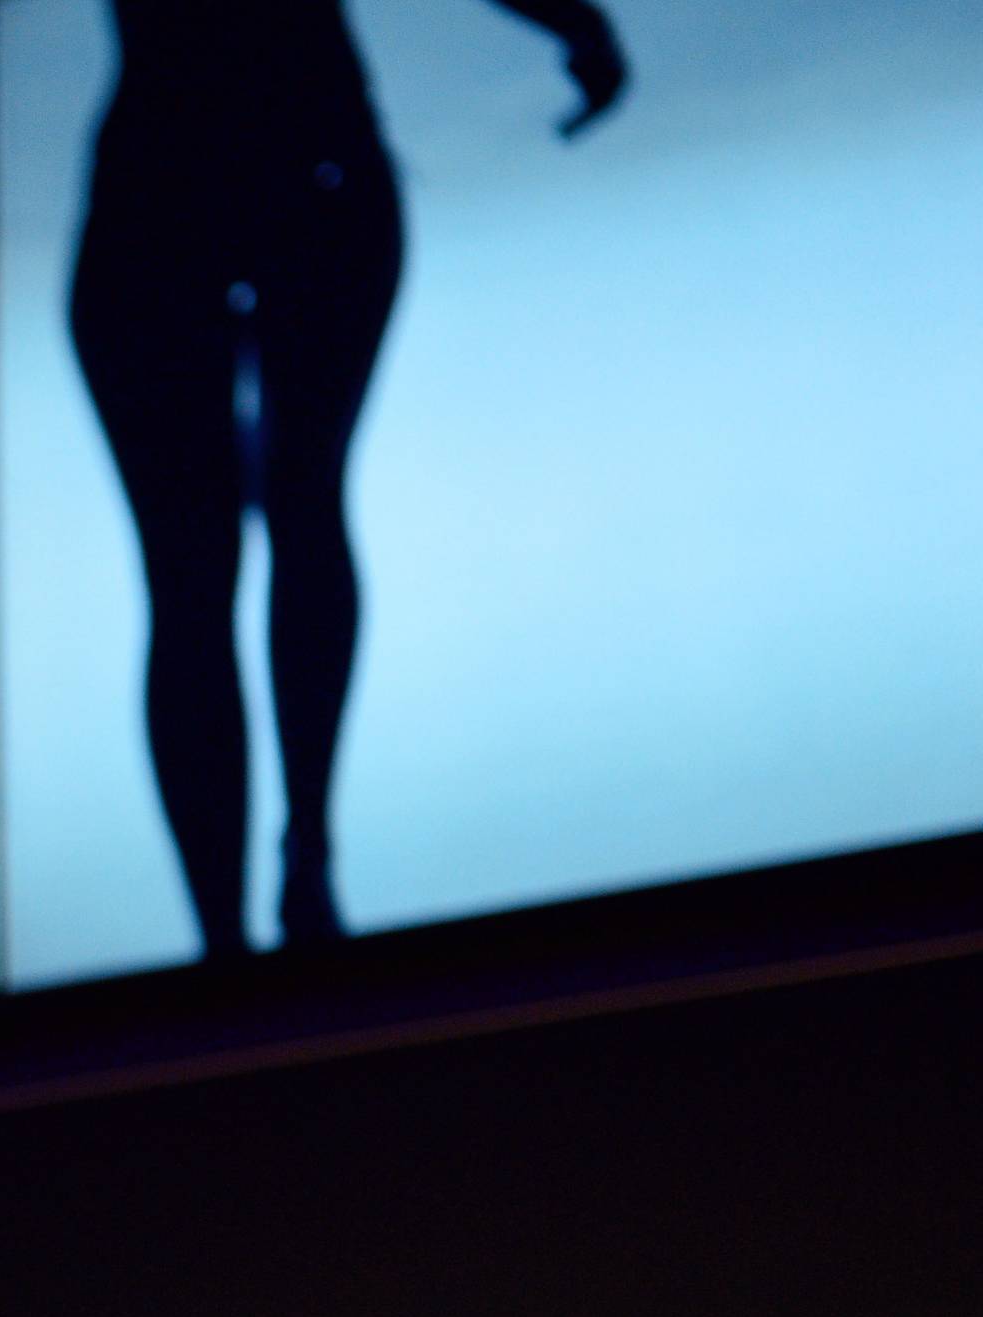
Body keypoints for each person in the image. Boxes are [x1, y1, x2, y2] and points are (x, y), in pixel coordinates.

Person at [68, 0, 627, 954]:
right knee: (293, 516)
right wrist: (578, 27)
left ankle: (232, 931)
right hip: (303, 166)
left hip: (169, 193)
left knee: (197, 574)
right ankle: (301, 872)